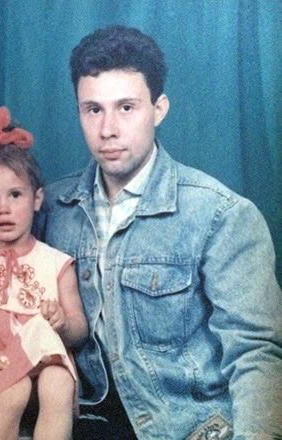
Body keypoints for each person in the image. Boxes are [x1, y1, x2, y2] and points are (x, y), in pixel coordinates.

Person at [35, 25, 282, 439]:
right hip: (87, 421)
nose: (108, 129)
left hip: (190, 426)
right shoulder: (52, 208)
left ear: (159, 109)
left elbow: (255, 353)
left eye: (126, 107)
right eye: (93, 109)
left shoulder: (221, 215)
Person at [0, 107, 88, 440]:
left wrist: (62, 323)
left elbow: (79, 330)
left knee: (58, 381)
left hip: (47, 366)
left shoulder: (56, 262)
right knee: (13, 390)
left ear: (37, 199)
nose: (3, 208)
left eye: (15, 195)